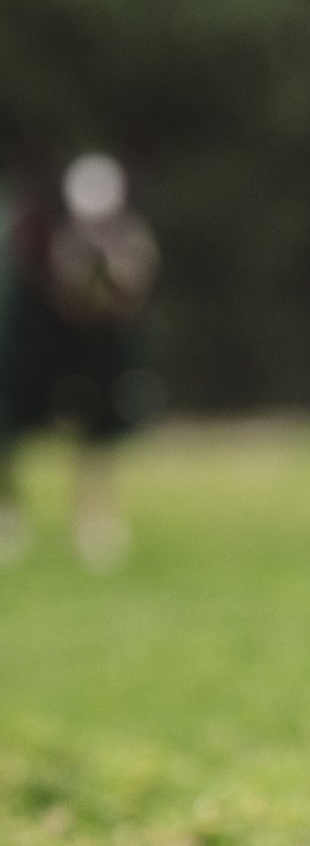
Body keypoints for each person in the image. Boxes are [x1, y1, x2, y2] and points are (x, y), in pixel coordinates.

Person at [0, 154, 160, 567]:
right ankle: (7, 512)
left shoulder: (130, 236)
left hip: (94, 342)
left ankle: (94, 520)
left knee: (101, 423)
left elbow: (135, 287)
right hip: (35, 342)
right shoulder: (25, 267)